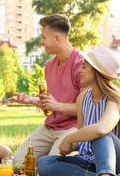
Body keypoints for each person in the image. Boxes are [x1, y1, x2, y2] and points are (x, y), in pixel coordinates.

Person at [36, 45, 120, 176]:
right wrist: (72, 147)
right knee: (44, 163)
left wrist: (69, 138)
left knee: (99, 132)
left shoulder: (115, 99)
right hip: (92, 161)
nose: (80, 70)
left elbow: (101, 129)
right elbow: (84, 140)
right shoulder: (82, 99)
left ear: (97, 72)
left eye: (84, 67)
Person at [8, 14, 87, 165]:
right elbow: (53, 101)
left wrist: (57, 106)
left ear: (57, 38)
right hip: (51, 126)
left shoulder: (82, 64)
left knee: (50, 165)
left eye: (44, 37)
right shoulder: (49, 66)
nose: (41, 42)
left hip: (74, 128)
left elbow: (87, 107)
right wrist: (31, 100)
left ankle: (78, 156)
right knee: (18, 163)